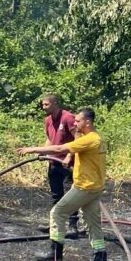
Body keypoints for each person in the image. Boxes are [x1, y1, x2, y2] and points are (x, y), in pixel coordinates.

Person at [16, 108, 108, 261]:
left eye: (78, 121)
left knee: (58, 212)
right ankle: (100, 256)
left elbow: (60, 148)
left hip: (84, 187)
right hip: (95, 187)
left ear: (88, 122)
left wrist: (33, 149)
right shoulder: (97, 138)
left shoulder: (90, 139)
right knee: (93, 222)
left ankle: (55, 252)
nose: (74, 123)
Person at [37, 93, 81, 238]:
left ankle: (73, 226)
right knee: (56, 195)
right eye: (43, 105)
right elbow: (50, 140)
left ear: (55, 103)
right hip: (53, 162)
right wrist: (43, 152)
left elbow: (78, 139)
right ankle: (54, 223)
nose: (43, 107)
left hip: (68, 165)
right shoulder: (48, 120)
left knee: (70, 195)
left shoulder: (68, 118)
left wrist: (69, 156)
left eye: (46, 104)